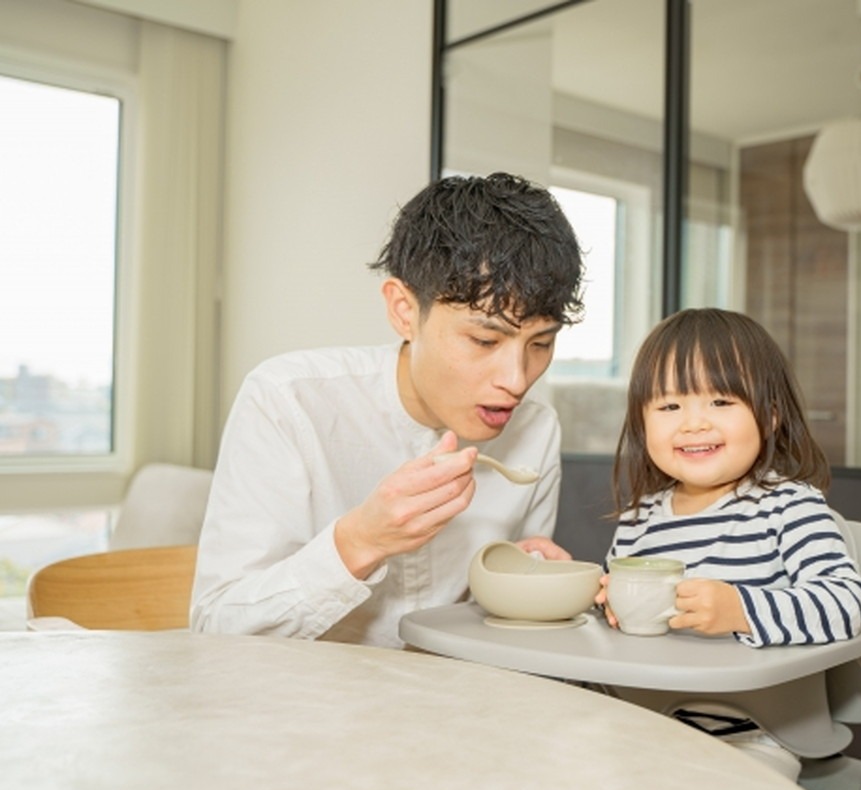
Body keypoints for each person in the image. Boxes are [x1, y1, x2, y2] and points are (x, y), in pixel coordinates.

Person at [191, 173, 585, 648]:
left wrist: (525, 584)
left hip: (460, 704)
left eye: (541, 344)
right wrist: (360, 541)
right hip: (305, 707)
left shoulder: (536, 430)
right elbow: (216, 631)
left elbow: (504, 631)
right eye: (485, 340)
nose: (517, 380)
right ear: (403, 310)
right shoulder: (287, 401)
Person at [594, 307, 861, 777]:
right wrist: (608, 603)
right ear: (642, 424)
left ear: (771, 416)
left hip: (755, 739)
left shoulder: (788, 505)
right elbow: (621, 636)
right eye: (669, 406)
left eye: (721, 402)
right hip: (644, 726)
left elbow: (846, 603)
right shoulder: (640, 520)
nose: (693, 423)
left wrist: (741, 610)